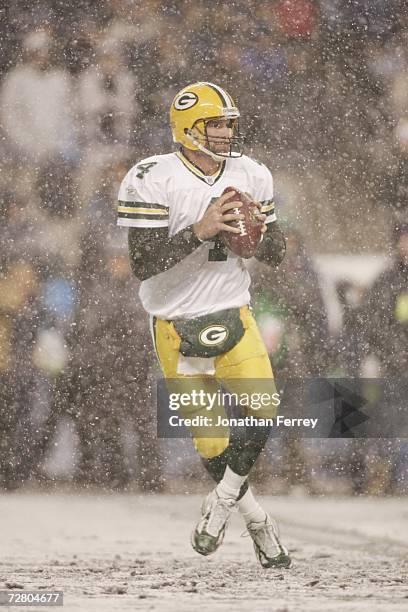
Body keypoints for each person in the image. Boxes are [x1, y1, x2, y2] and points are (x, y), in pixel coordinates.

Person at [117, 82, 290, 568]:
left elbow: (276, 251)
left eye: (228, 124)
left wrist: (254, 232)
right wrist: (203, 229)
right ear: (187, 128)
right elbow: (142, 262)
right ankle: (256, 518)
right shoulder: (151, 176)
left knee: (264, 410)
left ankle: (222, 502)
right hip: (175, 325)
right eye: (216, 124)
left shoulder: (251, 172)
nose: (225, 133)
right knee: (213, 442)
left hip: (233, 310)